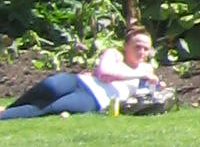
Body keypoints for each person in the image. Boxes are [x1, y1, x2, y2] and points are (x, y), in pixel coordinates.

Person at [3, 26, 165, 119]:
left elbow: (150, 95)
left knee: (45, 108)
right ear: (126, 46)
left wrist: (157, 85)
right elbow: (105, 73)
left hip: (93, 99)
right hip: (79, 82)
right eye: (137, 46)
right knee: (48, 86)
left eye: (146, 48)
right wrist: (140, 76)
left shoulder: (146, 69)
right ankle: (8, 108)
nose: (142, 52)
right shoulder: (114, 55)